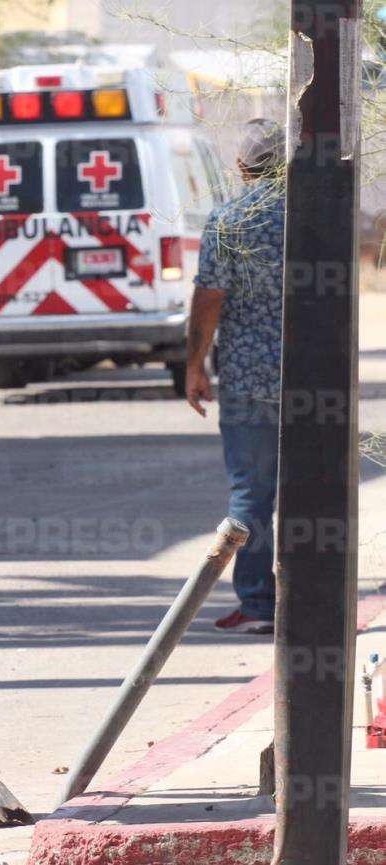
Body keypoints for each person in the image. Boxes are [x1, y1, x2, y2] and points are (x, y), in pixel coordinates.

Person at [185, 118, 286, 635]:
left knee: (251, 493)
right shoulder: (315, 217)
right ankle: (313, 597)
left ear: (242, 166)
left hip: (248, 381)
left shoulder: (229, 222)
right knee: (314, 491)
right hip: (316, 382)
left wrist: (194, 365)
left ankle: (256, 603)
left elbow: (210, 299)